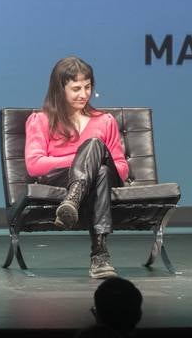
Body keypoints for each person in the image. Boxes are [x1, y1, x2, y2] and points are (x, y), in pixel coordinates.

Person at [25, 55, 131, 279]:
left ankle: (73, 201)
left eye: (87, 87)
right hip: (61, 179)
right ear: (59, 89)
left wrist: (94, 155)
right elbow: (34, 165)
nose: (83, 94)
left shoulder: (105, 121)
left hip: (97, 183)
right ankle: (100, 256)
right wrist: (83, 160)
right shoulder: (42, 120)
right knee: (99, 169)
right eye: (76, 89)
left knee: (97, 153)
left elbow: (121, 167)